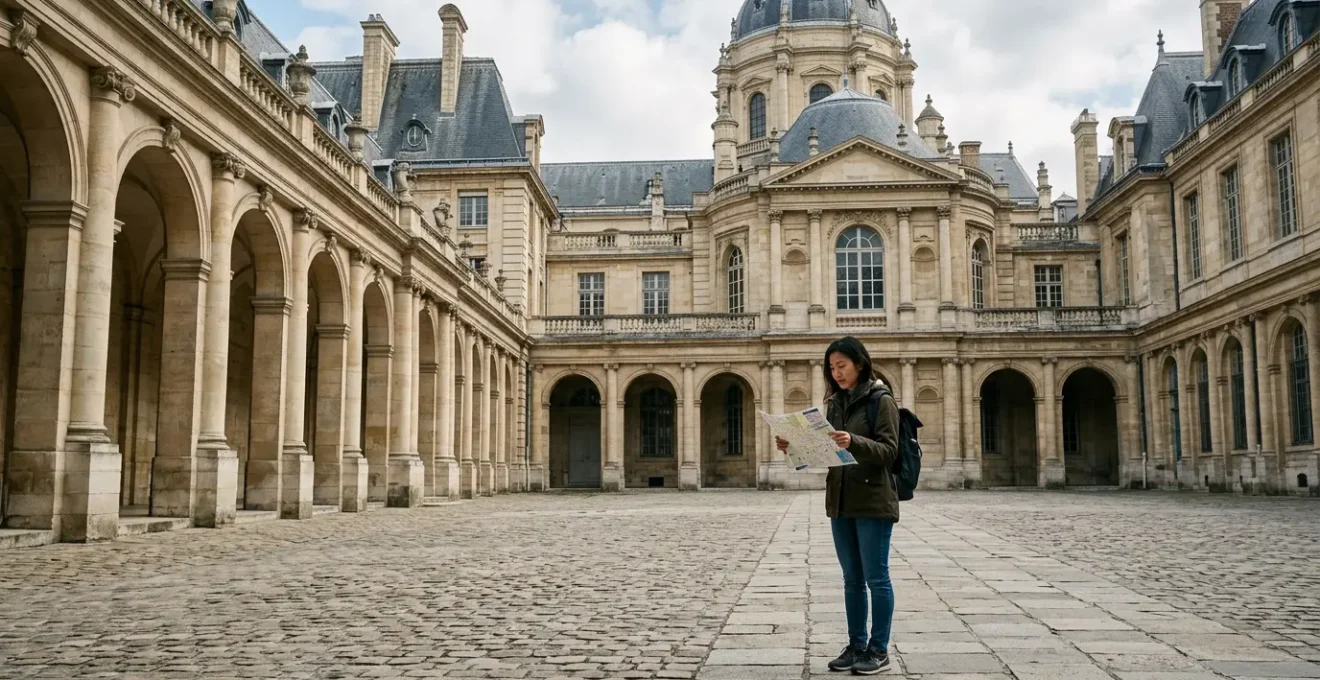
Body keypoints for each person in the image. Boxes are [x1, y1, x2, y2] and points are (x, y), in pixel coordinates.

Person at [777, 336, 899, 675]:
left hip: (873, 500)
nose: (836, 372)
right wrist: (794, 448)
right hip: (841, 500)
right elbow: (825, 454)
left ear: (859, 363)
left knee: (876, 578)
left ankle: (878, 650)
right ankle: (857, 644)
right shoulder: (833, 404)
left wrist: (853, 440)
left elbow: (889, 451)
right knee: (851, 579)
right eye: (831, 368)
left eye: (841, 365)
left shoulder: (881, 400)